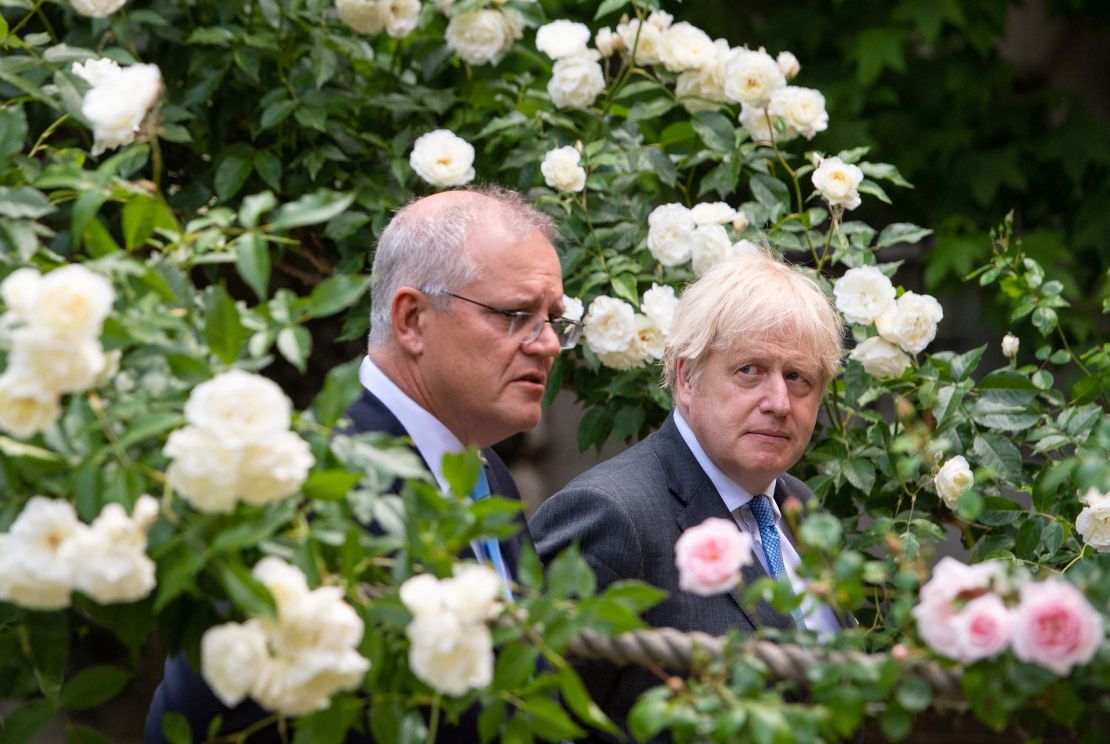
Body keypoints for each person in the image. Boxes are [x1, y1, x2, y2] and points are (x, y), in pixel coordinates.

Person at [145, 186, 583, 743]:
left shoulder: (485, 468)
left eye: (554, 320)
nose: (546, 344)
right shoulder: (305, 482)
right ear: (412, 319)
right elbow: (196, 722)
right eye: (517, 316)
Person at [529, 252, 846, 742]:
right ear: (685, 378)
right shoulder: (613, 517)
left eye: (798, 378)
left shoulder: (800, 509)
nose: (779, 403)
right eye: (749, 370)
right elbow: (538, 722)